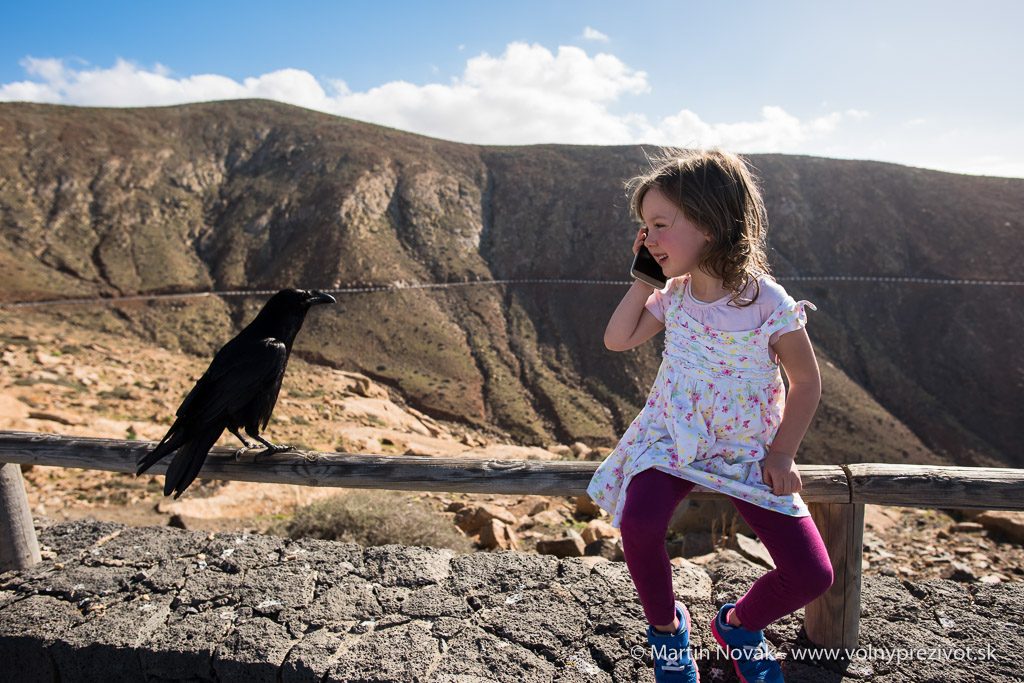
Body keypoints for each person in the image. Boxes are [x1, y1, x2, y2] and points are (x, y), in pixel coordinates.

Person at [587, 148, 834, 683]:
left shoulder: (766, 300)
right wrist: (644, 277)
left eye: (659, 225)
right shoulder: (673, 295)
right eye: (643, 226)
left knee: (813, 574)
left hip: (749, 448)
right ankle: (668, 632)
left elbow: (807, 381)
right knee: (640, 522)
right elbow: (617, 339)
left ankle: (739, 625)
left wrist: (783, 452)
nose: (647, 237)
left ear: (711, 223)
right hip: (676, 439)